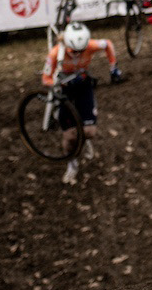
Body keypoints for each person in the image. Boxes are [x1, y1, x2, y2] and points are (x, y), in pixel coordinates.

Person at [41, 21, 121, 183]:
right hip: (64, 91)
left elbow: (108, 44)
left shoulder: (90, 45)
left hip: (84, 86)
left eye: (81, 51)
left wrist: (113, 67)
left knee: (89, 132)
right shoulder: (56, 53)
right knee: (70, 136)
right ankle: (72, 164)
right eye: (73, 51)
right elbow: (45, 79)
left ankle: (85, 141)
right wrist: (58, 84)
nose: (77, 54)